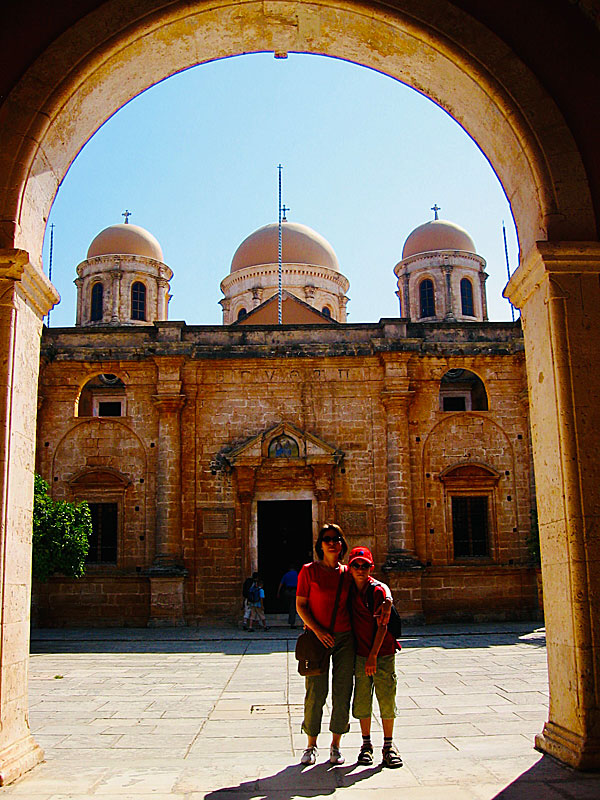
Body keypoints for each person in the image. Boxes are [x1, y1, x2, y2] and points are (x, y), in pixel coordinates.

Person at [295, 523, 354, 766]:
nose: (331, 542)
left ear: (342, 544)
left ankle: (336, 745)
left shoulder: (349, 573)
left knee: (342, 691)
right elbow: (301, 605)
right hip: (318, 639)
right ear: (320, 544)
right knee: (315, 692)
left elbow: (369, 589)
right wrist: (318, 631)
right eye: (327, 539)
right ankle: (310, 745)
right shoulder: (309, 571)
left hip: (344, 639)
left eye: (336, 538)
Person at [347, 545, 403, 769]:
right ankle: (366, 745)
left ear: (371, 568)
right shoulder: (348, 588)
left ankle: (389, 746)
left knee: (386, 698)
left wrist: (372, 656)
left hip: (382, 653)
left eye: (365, 566)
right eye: (356, 565)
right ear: (350, 567)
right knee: (362, 700)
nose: (360, 569)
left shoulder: (378, 591)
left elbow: (383, 626)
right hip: (361, 653)